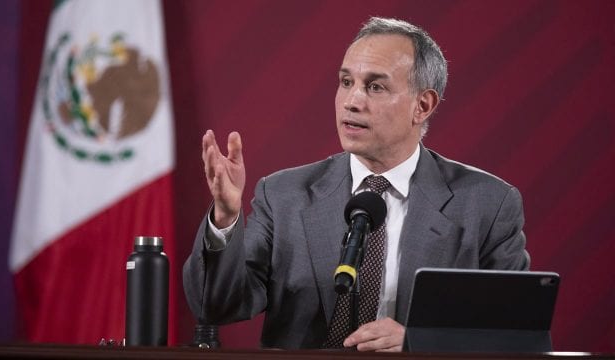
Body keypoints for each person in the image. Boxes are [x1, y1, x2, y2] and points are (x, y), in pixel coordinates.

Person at [183, 17, 529, 351]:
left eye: (375, 87)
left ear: (422, 106)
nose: (352, 101)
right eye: (346, 82)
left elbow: (514, 332)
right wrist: (226, 218)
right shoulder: (283, 195)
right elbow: (218, 306)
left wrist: (418, 341)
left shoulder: (487, 204)